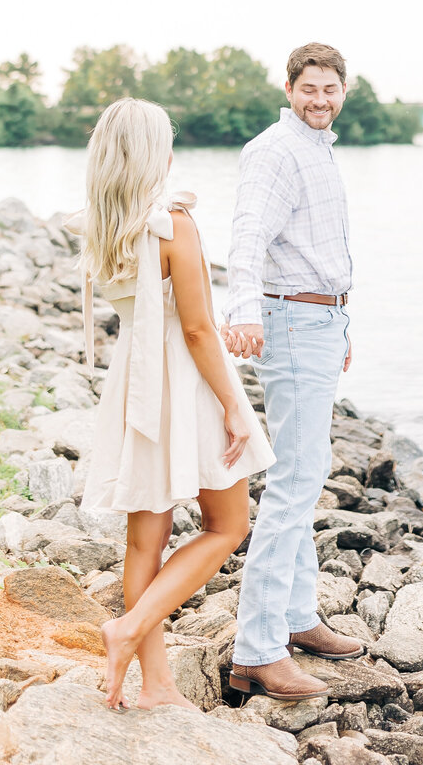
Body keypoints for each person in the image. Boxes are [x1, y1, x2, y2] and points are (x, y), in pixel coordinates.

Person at [77, 97, 275, 709]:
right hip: (183, 382)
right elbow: (197, 328)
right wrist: (234, 405)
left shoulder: (101, 222)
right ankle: (129, 629)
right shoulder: (173, 222)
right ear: (152, 154)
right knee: (229, 524)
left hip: (134, 381)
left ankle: (156, 683)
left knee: (145, 538)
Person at [221, 42, 363, 701]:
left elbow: (320, 248)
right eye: (308, 89)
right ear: (289, 87)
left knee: (305, 471)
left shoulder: (318, 148)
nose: (319, 100)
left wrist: (341, 324)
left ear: (344, 91)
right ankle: (257, 649)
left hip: (319, 321)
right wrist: (243, 314)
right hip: (289, 323)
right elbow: (247, 240)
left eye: (330, 89)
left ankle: (299, 616)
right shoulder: (274, 153)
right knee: (295, 481)